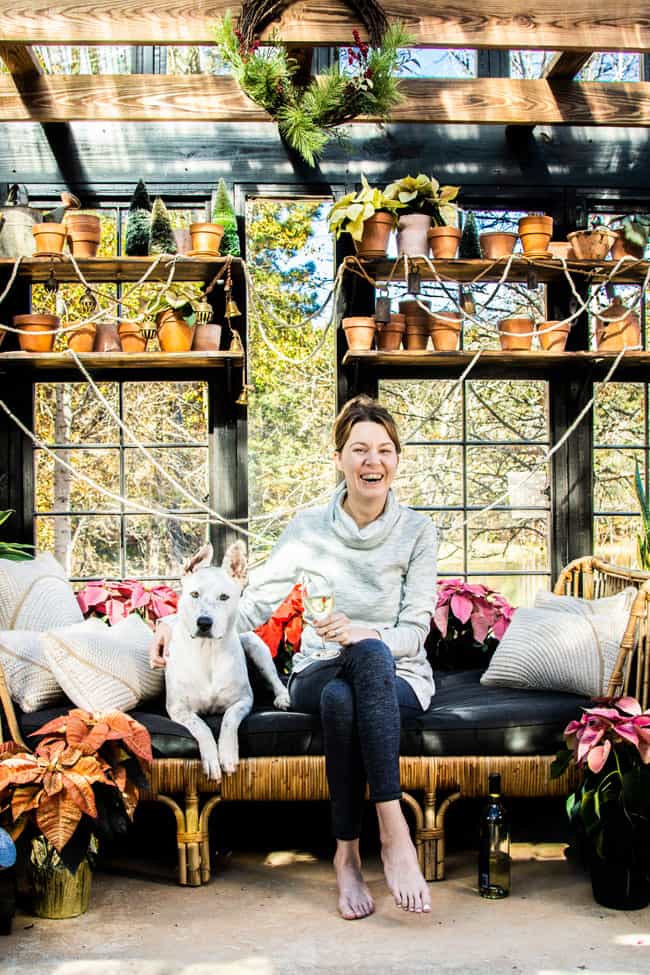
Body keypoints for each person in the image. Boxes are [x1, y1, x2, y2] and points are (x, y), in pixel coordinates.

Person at [151, 395, 437, 919]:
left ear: (397, 459)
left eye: (385, 450)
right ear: (339, 459)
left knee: (349, 685)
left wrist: (362, 631)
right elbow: (251, 604)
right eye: (359, 450)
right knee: (335, 680)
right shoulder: (308, 528)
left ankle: (349, 854)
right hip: (317, 665)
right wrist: (176, 621)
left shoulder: (418, 531)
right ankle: (394, 832)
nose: (373, 461)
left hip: (397, 674)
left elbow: (416, 632)